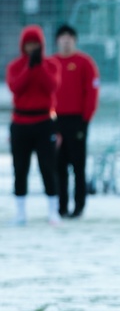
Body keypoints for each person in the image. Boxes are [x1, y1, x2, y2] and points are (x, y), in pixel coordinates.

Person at [5, 25, 61, 226]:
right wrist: (30, 67)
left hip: (44, 122)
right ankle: (20, 213)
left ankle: (53, 212)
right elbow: (16, 88)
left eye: (35, 44)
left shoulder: (51, 65)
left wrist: (39, 66)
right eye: (28, 44)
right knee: (20, 168)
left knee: (47, 166)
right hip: (20, 123)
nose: (31, 47)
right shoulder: (15, 66)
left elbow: (52, 86)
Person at [51, 23, 100, 218]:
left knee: (78, 165)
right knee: (58, 165)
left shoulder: (85, 62)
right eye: (62, 36)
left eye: (69, 36)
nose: (66, 40)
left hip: (77, 120)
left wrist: (85, 119)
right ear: (57, 40)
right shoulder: (51, 63)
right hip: (55, 121)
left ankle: (79, 205)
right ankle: (60, 205)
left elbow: (92, 92)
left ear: (75, 40)